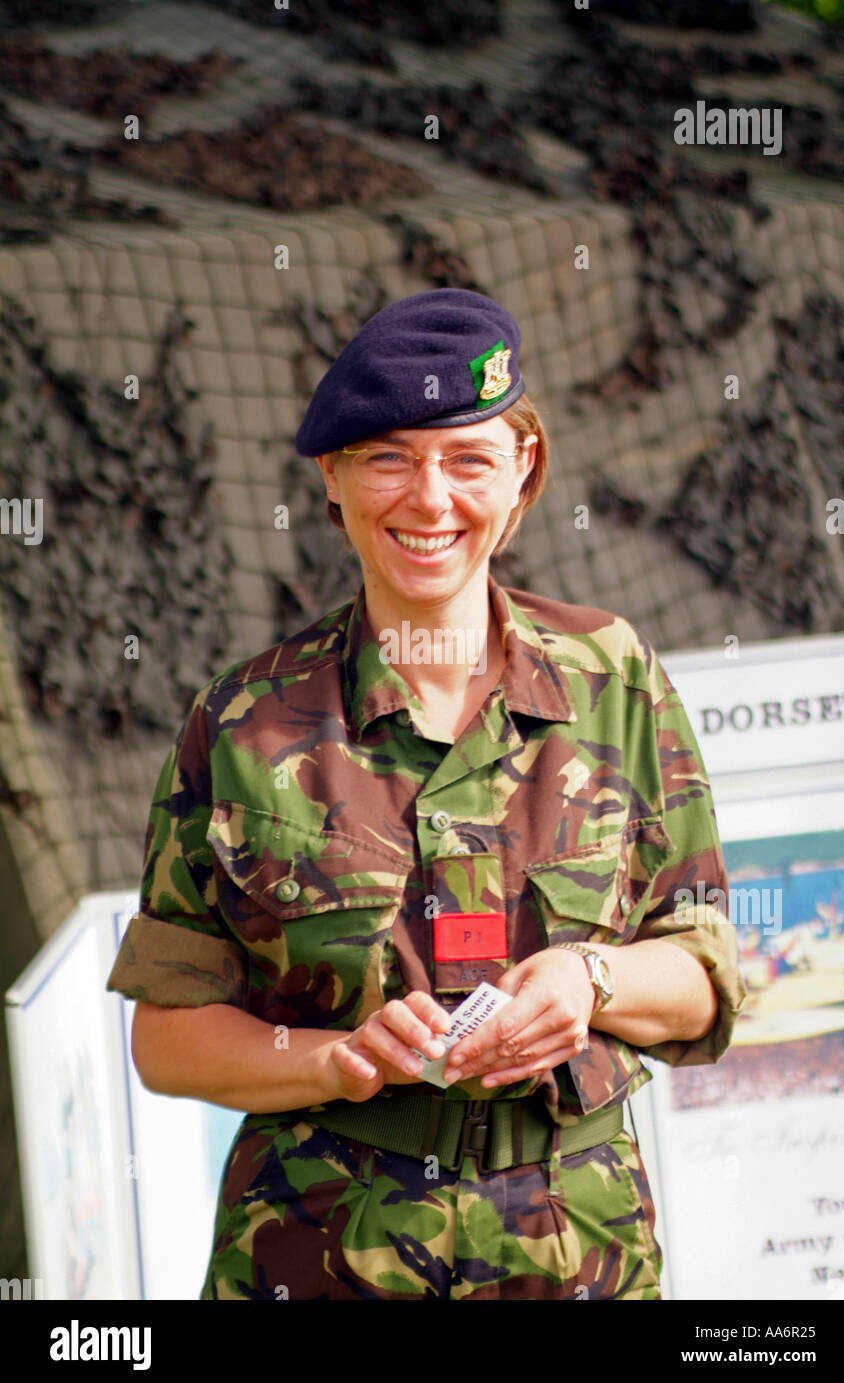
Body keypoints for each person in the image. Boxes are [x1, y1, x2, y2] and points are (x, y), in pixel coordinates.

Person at [107, 288, 746, 1300]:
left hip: (573, 1252)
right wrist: (335, 1060)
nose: (430, 500)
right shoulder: (243, 721)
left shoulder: (611, 676)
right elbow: (168, 1035)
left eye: (467, 459)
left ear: (523, 469)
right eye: (390, 457)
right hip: (318, 1251)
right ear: (333, 474)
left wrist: (589, 976)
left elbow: (706, 972)